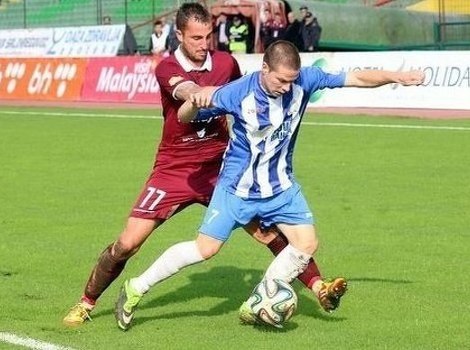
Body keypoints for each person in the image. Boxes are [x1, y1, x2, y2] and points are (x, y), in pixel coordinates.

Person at [113, 39, 425, 331]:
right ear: (264, 69)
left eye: (292, 80)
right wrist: (195, 101)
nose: (287, 87)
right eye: (281, 80)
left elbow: (355, 79)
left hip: (281, 188)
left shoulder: (305, 80)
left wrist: (398, 76)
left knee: (306, 244)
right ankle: (136, 287)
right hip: (238, 189)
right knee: (205, 249)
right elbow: (183, 116)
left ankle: (258, 301)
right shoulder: (237, 93)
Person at [63, 4, 341, 328]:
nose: (203, 43)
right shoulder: (166, 67)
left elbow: (245, 96)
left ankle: (319, 286)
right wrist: (202, 94)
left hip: (221, 168)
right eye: (196, 37)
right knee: (127, 243)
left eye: (208, 36)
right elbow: (186, 91)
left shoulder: (226, 62)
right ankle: (86, 303)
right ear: (179, 35)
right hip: (174, 169)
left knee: (269, 233)